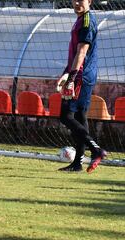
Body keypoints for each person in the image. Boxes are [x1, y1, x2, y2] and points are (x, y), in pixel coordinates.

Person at [56, 0, 106, 173]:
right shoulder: (81, 19)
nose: (77, 3)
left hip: (81, 77)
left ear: (90, 1)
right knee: (79, 116)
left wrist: (72, 77)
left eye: (81, 0)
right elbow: (75, 53)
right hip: (81, 75)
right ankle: (77, 163)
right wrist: (65, 73)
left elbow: (82, 52)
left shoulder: (86, 21)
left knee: (66, 115)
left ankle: (96, 150)